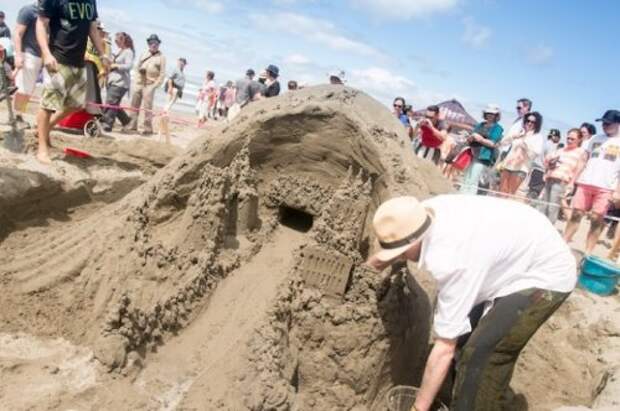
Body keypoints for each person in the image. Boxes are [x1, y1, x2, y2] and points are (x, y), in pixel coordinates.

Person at [367, 194, 576, 411]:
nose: (400, 256)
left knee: (483, 356)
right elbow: (401, 242)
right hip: (509, 250)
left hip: (544, 274)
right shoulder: (419, 213)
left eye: (401, 251)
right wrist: (369, 269)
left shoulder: (451, 260)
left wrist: (418, 408)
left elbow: (444, 348)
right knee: (464, 340)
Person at [35, 0, 108, 164]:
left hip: (79, 60)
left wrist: (102, 54)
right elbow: (41, 23)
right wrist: (46, 53)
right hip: (57, 57)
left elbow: (92, 28)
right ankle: (42, 148)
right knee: (48, 105)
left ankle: (45, 129)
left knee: (77, 105)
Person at [564, 110, 620, 255]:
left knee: (596, 219)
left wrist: (618, 191)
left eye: (608, 123)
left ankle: (588, 253)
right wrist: (573, 181)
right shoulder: (595, 138)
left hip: (606, 187)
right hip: (585, 182)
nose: (604, 125)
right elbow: (583, 160)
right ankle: (564, 244)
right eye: (603, 123)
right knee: (576, 214)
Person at [538, 128, 587, 224]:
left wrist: (571, 183)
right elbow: (546, 161)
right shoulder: (561, 150)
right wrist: (550, 163)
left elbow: (579, 170)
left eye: (572, 139)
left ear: (579, 140)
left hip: (561, 181)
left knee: (553, 207)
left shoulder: (581, 152)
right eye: (568, 138)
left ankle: (549, 229)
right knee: (543, 205)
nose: (569, 141)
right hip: (550, 177)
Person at [459, 104, 503, 194]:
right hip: (472, 154)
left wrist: (480, 139)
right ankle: (461, 196)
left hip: (484, 157)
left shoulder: (498, 128)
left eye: (492, 113)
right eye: (488, 113)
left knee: (473, 180)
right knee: (466, 178)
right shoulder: (480, 125)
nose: (490, 115)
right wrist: (470, 137)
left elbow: (493, 143)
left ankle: (468, 201)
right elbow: (472, 135)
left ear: (496, 115)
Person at [127, 34, 166, 136]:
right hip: (139, 82)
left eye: (156, 43)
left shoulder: (161, 57)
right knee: (134, 105)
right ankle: (132, 126)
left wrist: (154, 86)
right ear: (149, 44)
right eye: (152, 43)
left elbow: (162, 75)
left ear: (158, 44)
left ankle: (147, 129)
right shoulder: (144, 53)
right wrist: (136, 80)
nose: (154, 45)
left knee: (147, 108)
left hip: (150, 84)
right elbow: (137, 67)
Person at [498, 112, 544, 196]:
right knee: (501, 192)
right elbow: (503, 143)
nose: (529, 123)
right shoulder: (519, 132)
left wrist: (525, 143)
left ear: (537, 124)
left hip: (521, 168)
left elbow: (535, 154)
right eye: (527, 120)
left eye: (533, 122)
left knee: (510, 194)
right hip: (508, 165)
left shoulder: (538, 137)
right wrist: (514, 136)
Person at [12, 3, 42, 123]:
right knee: (23, 89)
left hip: (40, 57)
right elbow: (17, 33)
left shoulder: (50, 13)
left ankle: (18, 115)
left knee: (29, 91)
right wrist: (18, 55)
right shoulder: (29, 10)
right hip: (28, 54)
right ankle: (16, 116)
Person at [100, 31, 134, 132]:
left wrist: (116, 66)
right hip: (113, 81)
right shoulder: (120, 51)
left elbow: (129, 66)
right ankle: (126, 121)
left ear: (123, 40)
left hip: (120, 82)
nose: (116, 42)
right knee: (114, 104)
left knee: (110, 103)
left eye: (117, 40)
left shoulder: (128, 52)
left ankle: (107, 124)